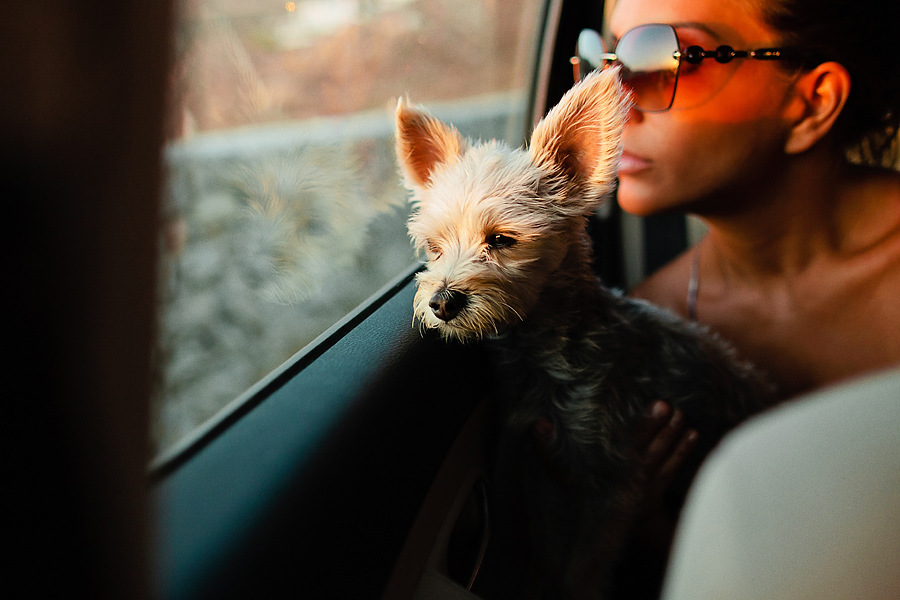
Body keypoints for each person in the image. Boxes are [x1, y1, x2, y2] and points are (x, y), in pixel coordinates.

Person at [594, 0, 900, 595]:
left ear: (812, 103)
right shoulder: (646, 331)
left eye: (662, 59)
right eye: (605, 58)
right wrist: (637, 523)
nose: (607, 104)